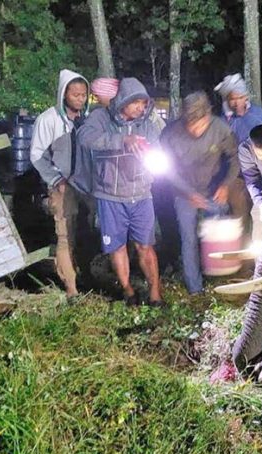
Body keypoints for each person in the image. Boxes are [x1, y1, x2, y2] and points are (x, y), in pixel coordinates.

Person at [78, 77, 164, 307]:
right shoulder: (101, 117)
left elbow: (157, 148)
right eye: (136, 103)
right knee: (117, 247)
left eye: (144, 103)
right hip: (110, 196)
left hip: (141, 194)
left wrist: (151, 162)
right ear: (123, 101)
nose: (141, 108)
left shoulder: (147, 123)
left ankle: (155, 293)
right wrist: (121, 140)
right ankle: (128, 291)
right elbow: (85, 138)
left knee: (145, 245)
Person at [159, 91, 240, 295]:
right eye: (191, 125)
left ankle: (220, 278)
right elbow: (167, 170)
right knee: (189, 239)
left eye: (200, 124)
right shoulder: (170, 134)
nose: (195, 130)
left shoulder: (220, 129)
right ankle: (195, 288)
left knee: (217, 233)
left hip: (214, 190)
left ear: (208, 116)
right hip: (183, 192)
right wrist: (188, 193)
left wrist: (225, 185)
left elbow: (234, 159)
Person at [30, 69, 95, 301]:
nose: (79, 98)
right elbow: (37, 154)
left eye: (83, 94)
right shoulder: (48, 120)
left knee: (87, 230)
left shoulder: (88, 120)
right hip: (62, 186)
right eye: (75, 94)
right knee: (65, 235)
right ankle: (71, 288)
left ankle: (86, 275)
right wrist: (56, 179)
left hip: (86, 186)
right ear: (63, 94)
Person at [214, 73, 262, 144]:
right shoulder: (222, 122)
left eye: (240, 98)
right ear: (226, 100)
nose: (237, 103)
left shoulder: (257, 114)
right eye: (232, 99)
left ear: (246, 97)